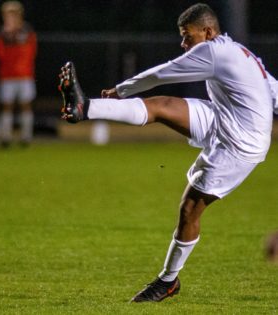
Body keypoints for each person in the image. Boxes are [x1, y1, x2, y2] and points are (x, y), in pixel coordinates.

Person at [59, 3, 278, 302]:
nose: (184, 43)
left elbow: (165, 72)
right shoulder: (239, 52)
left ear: (208, 32)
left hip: (240, 145)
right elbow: (273, 89)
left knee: (189, 209)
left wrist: (123, 89)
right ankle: (85, 108)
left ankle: (168, 281)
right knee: (162, 106)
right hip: (222, 119)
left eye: (188, 36)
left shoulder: (213, 51)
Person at [0, 0, 37, 147]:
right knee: (7, 105)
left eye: (14, 13)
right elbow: (0, 54)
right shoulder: (1, 33)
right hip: (7, 75)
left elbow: (32, 52)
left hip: (25, 75)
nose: (11, 16)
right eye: (8, 13)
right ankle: (5, 137)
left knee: (26, 104)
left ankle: (26, 137)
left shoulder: (27, 30)